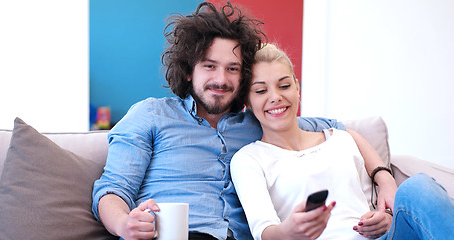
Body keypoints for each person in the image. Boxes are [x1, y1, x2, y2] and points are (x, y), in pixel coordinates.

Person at [92, 2, 394, 240]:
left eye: (232, 69)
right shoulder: (151, 114)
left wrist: (383, 177)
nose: (221, 80)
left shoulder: (260, 121)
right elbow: (111, 190)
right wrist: (124, 224)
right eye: (209, 66)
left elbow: (343, 130)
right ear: (188, 70)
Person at [230, 43, 454, 240]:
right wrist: (292, 230)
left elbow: (372, 204)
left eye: (284, 85)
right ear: (247, 102)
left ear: (298, 88)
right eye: (260, 90)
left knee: (418, 186)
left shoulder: (340, 140)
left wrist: (384, 217)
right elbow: (265, 232)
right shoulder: (248, 159)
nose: (275, 97)